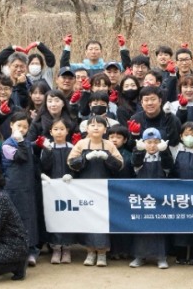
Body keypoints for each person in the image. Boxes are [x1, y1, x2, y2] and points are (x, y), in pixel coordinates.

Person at [67, 115, 124, 265]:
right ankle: (90, 251)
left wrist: (107, 157)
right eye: (92, 125)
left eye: (100, 125)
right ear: (86, 129)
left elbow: (119, 164)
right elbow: (71, 163)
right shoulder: (81, 143)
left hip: (104, 189)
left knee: (103, 220)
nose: (96, 127)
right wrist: (86, 158)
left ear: (105, 129)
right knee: (88, 218)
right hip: (86, 188)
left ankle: (102, 253)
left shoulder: (109, 145)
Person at [0, 112, 41, 266]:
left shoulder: (26, 141)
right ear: (11, 125)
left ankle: (32, 250)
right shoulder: (7, 144)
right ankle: (17, 251)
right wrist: (23, 142)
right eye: (19, 126)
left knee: (30, 218)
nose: (22, 129)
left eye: (25, 127)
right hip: (14, 187)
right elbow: (21, 157)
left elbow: (30, 153)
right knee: (16, 219)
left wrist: (38, 143)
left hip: (28, 186)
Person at [129, 127, 173, 269]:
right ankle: (139, 256)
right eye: (148, 142)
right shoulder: (141, 158)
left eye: (155, 142)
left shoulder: (163, 158)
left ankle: (161, 257)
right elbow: (135, 162)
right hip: (143, 198)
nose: (152, 145)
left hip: (160, 198)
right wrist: (138, 150)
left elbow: (168, 165)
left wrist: (165, 150)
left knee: (159, 228)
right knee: (141, 227)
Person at [38, 118, 76, 264]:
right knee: (54, 217)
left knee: (68, 217)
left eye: (62, 129)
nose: (59, 132)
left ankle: (67, 248)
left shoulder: (72, 147)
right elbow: (44, 166)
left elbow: (76, 167)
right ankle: (56, 248)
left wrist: (71, 175)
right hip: (52, 189)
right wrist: (47, 151)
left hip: (69, 188)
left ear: (67, 131)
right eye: (56, 129)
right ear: (50, 132)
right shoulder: (47, 148)